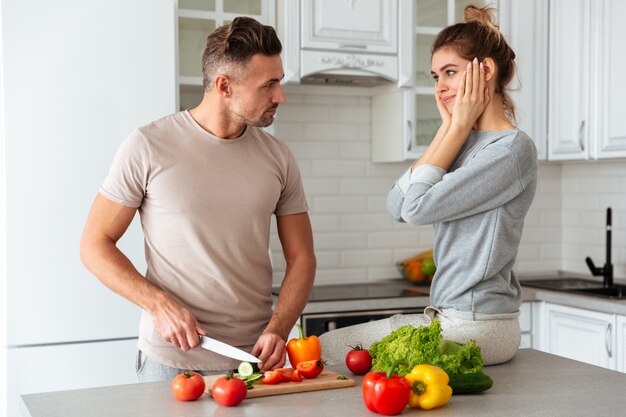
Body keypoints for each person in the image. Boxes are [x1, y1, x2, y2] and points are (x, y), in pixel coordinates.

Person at [80, 16, 316, 382]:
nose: (279, 96)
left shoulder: (279, 157)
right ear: (224, 86)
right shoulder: (148, 146)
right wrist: (159, 305)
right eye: (268, 85)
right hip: (170, 364)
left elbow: (302, 258)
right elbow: (94, 245)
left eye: (279, 82)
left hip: (254, 363)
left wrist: (280, 328)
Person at [319, 5, 537, 366]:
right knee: (332, 350)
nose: (440, 87)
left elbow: (416, 208)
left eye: (450, 72)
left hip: (480, 324)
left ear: (485, 70)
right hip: (452, 317)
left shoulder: (510, 151)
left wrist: (454, 129)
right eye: (435, 76)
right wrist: (449, 129)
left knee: (330, 351)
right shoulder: (465, 143)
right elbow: (396, 205)